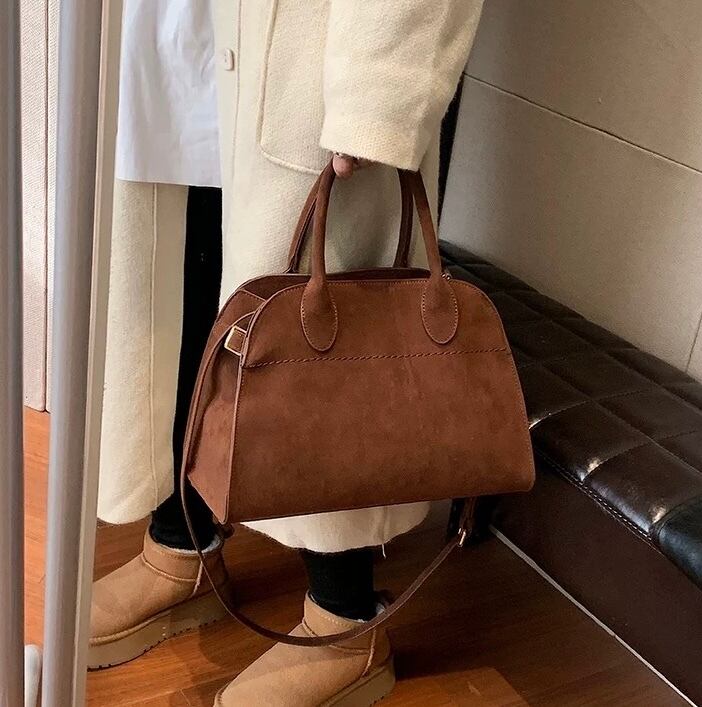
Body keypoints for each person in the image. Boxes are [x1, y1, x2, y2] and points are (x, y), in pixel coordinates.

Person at [89, 0, 485, 703]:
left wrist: (380, 88)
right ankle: (181, 544)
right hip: (171, 32)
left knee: (324, 342)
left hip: (309, 52)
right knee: (179, 287)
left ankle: (345, 621)